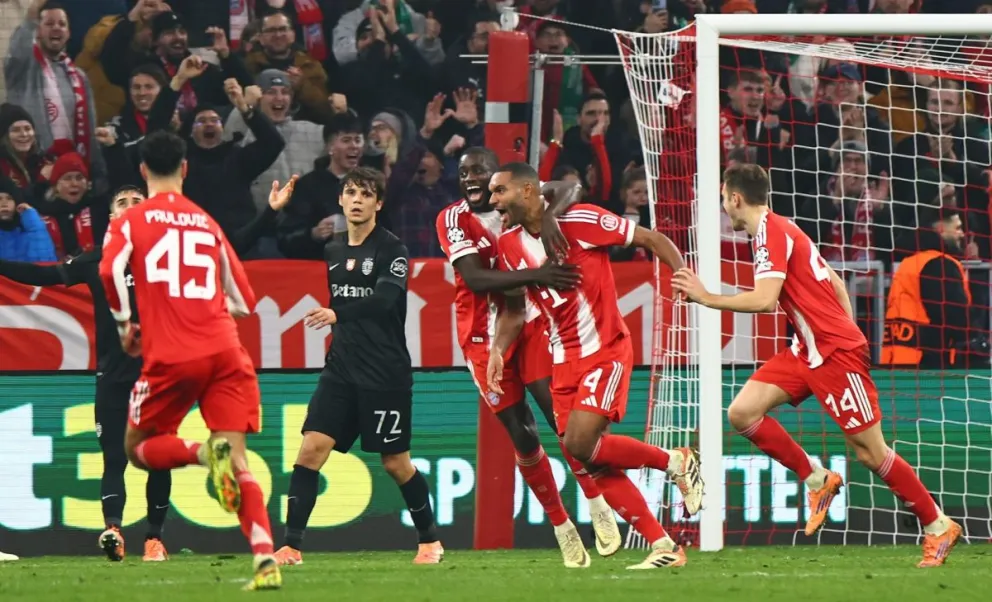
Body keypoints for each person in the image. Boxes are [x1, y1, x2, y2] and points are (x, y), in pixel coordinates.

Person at [671, 163, 962, 568]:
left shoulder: (772, 234)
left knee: (871, 452)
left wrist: (705, 296)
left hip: (834, 354)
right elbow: (836, 282)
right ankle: (817, 479)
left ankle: (937, 525)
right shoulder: (778, 230)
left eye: (724, 200)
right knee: (742, 413)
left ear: (736, 198)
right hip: (805, 350)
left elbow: (764, 300)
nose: (724, 209)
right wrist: (836, 326)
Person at [487, 162, 703, 570]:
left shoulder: (582, 219)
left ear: (529, 191)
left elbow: (653, 239)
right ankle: (663, 545)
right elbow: (514, 310)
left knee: (580, 445)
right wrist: (499, 348)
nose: (493, 200)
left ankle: (677, 461)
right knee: (591, 458)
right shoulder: (510, 244)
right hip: (563, 360)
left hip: (605, 349)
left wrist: (684, 279)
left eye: (500, 192)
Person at [97, 130, 281, 590]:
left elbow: (107, 269)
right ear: (185, 168)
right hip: (225, 349)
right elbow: (244, 300)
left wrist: (125, 325)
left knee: (137, 449)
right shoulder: (206, 222)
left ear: (143, 171)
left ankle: (201, 453)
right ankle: (264, 560)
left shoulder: (131, 220)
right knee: (238, 461)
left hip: (173, 354)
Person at [435, 147, 621, 568]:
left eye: (479, 171)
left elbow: (569, 185)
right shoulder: (451, 219)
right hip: (483, 339)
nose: (470, 179)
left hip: (534, 323)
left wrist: (550, 212)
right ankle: (562, 527)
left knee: (561, 421)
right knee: (523, 435)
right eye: (463, 173)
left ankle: (596, 502)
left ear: (497, 177)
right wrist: (537, 273)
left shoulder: (514, 203)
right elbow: (476, 278)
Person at [274, 167, 441, 566]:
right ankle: (291, 546)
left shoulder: (392, 250)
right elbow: (283, 242)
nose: (357, 200)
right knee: (310, 450)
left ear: (378, 204)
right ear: (340, 199)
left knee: (395, 463)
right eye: (351, 192)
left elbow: (384, 301)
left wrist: (337, 314)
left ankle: (429, 542)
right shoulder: (333, 248)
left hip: (385, 373)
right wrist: (277, 212)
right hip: (341, 370)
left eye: (366, 194)